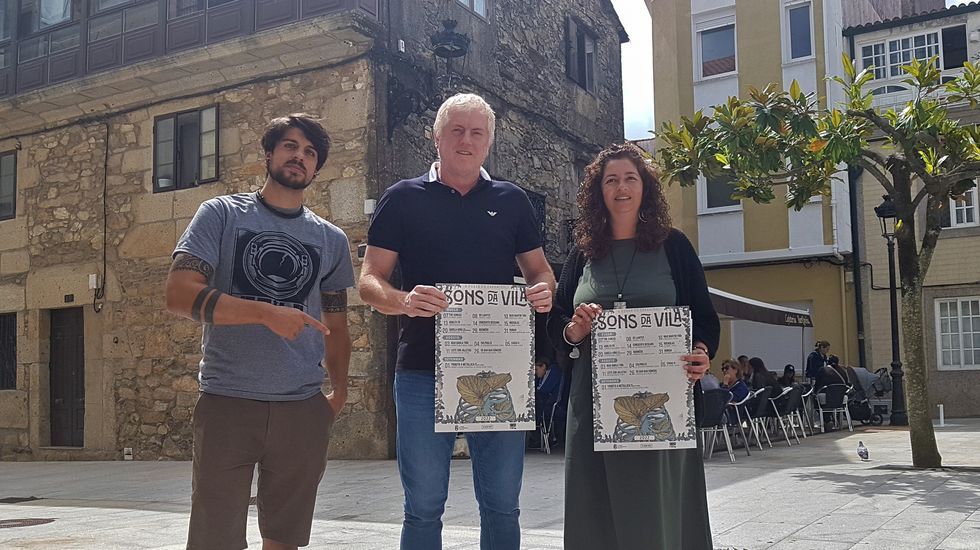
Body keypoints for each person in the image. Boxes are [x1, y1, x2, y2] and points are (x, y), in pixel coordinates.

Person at [357, 93, 555, 550]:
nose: (466, 140)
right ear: (437, 136)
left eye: (477, 132)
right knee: (423, 506)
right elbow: (370, 281)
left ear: (489, 142)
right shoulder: (402, 198)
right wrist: (404, 300)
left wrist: (545, 290)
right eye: (457, 130)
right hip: (422, 370)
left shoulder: (512, 200)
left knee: (503, 504)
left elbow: (539, 270)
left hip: (498, 368)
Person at [166, 114, 354, 550]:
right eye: (290, 146)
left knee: (286, 538)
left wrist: (338, 394)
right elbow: (178, 294)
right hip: (228, 402)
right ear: (268, 154)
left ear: (316, 168)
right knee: (215, 539)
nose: (299, 157)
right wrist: (266, 313)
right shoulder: (221, 214)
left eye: (310, 152)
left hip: (302, 408)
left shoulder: (331, 239)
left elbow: (337, 324)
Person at [547, 142, 719, 550]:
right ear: (598, 192)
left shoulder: (674, 246)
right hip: (592, 401)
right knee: (594, 504)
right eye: (611, 180)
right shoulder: (580, 254)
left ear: (644, 188)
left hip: (663, 400)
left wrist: (701, 352)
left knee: (656, 505)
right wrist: (575, 329)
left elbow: (705, 317)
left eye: (630, 178)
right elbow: (554, 325)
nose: (621, 187)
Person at [533, 357, 565, 447]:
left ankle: (542, 438)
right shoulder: (545, 375)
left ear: (543, 366)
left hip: (553, 405)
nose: (535, 372)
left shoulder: (552, 372)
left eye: (536, 369)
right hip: (548, 403)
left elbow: (543, 389)